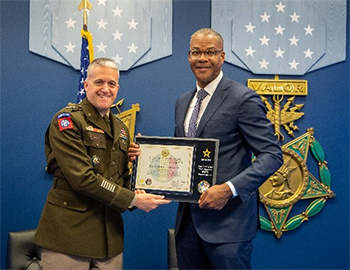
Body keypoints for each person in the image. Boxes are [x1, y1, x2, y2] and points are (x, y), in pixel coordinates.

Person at [129, 28, 283, 269]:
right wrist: (144, 159)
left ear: (222, 56)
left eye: (210, 52)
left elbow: (272, 155)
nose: (202, 58)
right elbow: (180, 156)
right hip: (188, 225)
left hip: (228, 227)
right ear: (189, 57)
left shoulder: (243, 99)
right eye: (196, 52)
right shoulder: (183, 102)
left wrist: (229, 189)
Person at [35, 58, 170, 269]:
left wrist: (139, 181)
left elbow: (119, 178)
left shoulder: (121, 128)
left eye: (112, 83)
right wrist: (133, 199)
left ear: (118, 88)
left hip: (109, 238)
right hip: (69, 237)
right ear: (86, 85)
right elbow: (83, 179)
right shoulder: (68, 121)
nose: (105, 89)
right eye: (99, 82)